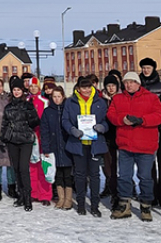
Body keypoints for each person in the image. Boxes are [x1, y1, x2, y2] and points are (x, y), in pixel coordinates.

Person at [107, 71, 161, 221]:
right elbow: (111, 115)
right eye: (126, 82)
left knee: (145, 177)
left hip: (145, 145)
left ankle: (146, 205)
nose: (129, 85)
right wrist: (122, 119)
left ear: (138, 84)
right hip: (125, 144)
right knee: (124, 176)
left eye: (132, 82)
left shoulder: (151, 98)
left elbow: (160, 115)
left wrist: (142, 120)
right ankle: (124, 204)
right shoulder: (118, 98)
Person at [63, 76, 108, 217]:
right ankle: (81, 204)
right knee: (80, 175)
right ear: (78, 88)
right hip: (78, 143)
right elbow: (65, 120)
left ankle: (95, 205)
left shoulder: (100, 101)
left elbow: (107, 120)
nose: (87, 90)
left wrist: (103, 127)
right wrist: (72, 130)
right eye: (84, 87)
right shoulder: (70, 102)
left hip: (95, 144)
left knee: (95, 175)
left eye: (89, 87)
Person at [138, 57, 161, 209]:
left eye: (149, 68)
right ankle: (150, 194)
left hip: (160, 130)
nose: (146, 70)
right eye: (144, 67)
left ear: (153, 69)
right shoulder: (137, 86)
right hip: (143, 130)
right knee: (147, 164)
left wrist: (159, 124)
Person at [0, 76, 39, 211]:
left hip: (25, 140)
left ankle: (28, 198)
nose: (16, 92)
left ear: (23, 91)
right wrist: (2, 139)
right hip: (12, 140)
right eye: (14, 89)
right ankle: (21, 195)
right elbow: (4, 124)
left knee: (23, 169)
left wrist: (30, 116)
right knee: (16, 169)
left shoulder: (28, 105)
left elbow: (35, 122)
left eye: (18, 89)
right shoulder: (8, 107)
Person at [41, 85, 73, 210]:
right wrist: (46, 148)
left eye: (59, 96)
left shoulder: (68, 109)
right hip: (54, 147)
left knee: (68, 174)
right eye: (54, 97)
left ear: (63, 97)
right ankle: (61, 198)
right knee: (58, 174)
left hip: (67, 147)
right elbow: (44, 131)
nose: (57, 99)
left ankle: (68, 199)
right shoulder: (48, 112)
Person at [26, 77, 51, 205]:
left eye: (35, 86)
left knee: (43, 167)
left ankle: (45, 195)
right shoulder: (25, 101)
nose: (33, 89)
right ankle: (33, 193)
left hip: (42, 138)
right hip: (29, 138)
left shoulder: (45, 101)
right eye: (31, 86)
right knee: (32, 167)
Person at [101, 74, 121, 204]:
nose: (111, 88)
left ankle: (125, 189)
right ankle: (111, 188)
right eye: (108, 86)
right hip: (106, 136)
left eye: (113, 85)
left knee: (121, 165)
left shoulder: (121, 98)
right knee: (108, 165)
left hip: (120, 135)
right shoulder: (102, 100)